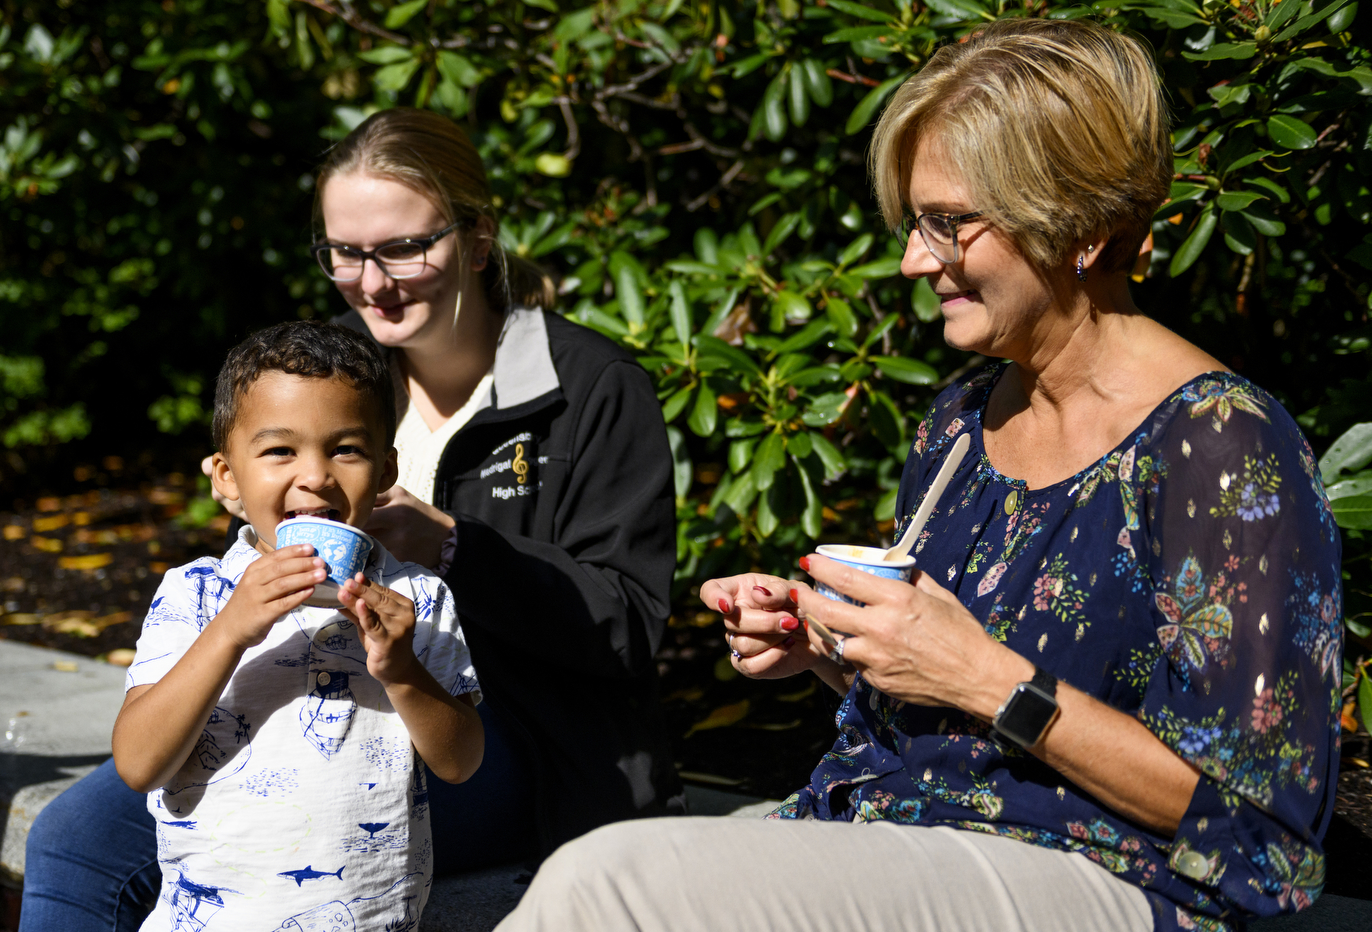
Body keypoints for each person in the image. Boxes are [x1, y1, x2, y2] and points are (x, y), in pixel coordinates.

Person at [492, 18, 1341, 932]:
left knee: (612, 880)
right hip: (905, 835)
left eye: (949, 223)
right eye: (913, 223)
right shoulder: (964, 418)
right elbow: (940, 704)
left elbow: (1265, 830)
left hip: (1109, 879)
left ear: (1081, 225)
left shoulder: (1220, 447)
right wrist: (832, 648)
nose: (913, 260)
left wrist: (986, 678)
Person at [19, 108, 682, 931]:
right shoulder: (335, 366)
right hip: (320, 693)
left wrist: (447, 545)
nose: (373, 282)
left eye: (405, 247)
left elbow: (629, 625)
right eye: (346, 252)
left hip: (514, 736)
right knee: (76, 838)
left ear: (477, 240)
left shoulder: (591, 386)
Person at [112, 320, 483, 929]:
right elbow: (137, 762)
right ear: (227, 477)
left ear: (387, 470)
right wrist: (230, 629)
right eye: (280, 450)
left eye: (346, 449)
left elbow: (461, 761)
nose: (314, 475)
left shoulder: (415, 596)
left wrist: (402, 669)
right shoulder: (198, 593)